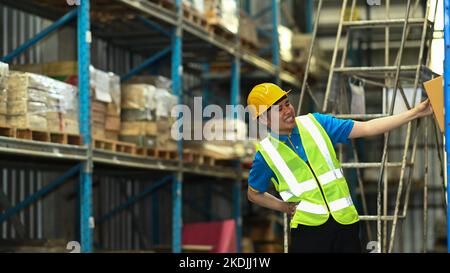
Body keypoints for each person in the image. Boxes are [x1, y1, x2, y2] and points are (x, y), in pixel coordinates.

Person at [246, 82, 433, 253]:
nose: (288, 111)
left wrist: (415, 112)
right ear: (264, 120)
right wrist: (284, 207)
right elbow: (254, 193)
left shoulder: (316, 124)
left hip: (346, 224)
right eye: (279, 109)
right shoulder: (266, 154)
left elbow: (367, 128)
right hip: (309, 232)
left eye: (287, 104)